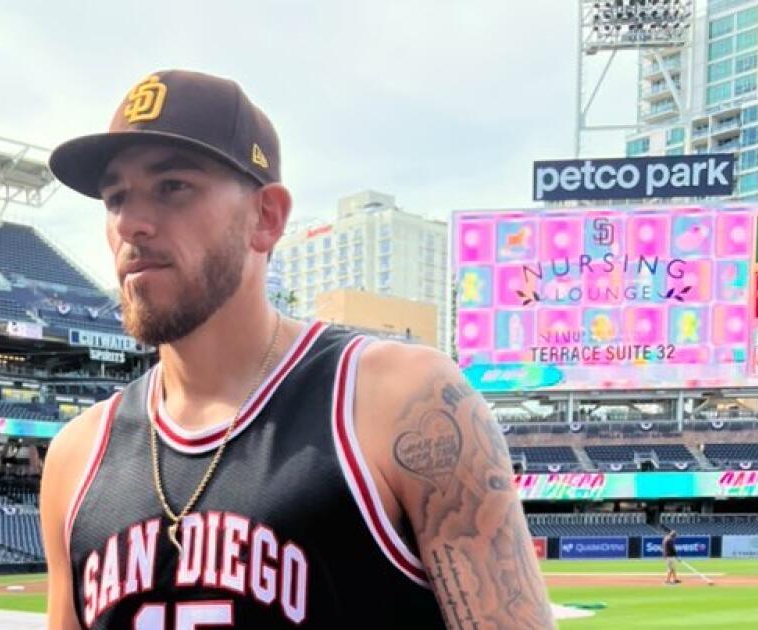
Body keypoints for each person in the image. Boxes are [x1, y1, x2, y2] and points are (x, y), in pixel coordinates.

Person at [40, 70, 554, 629]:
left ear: (267, 218)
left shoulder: (401, 402)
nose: (132, 224)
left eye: (173, 187)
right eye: (116, 198)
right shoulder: (76, 457)